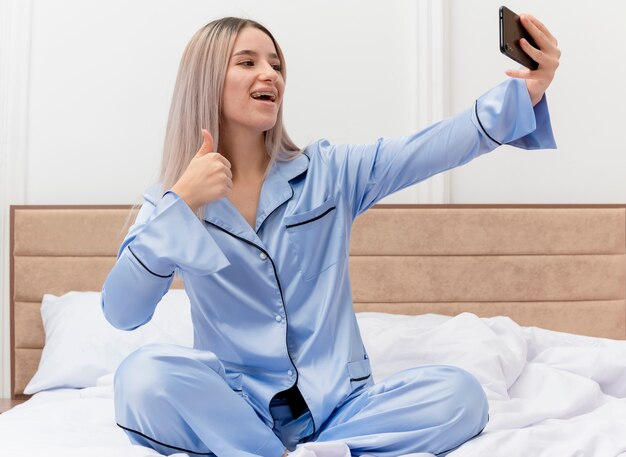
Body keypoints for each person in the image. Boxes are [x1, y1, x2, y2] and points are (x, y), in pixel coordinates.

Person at [101, 14, 560, 457]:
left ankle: (300, 451)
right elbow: (123, 312)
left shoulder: (331, 173)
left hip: (342, 409)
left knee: (460, 395)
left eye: (276, 64)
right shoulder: (171, 203)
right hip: (237, 412)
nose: (270, 74)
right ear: (206, 81)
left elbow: (431, 147)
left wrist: (526, 92)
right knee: (139, 379)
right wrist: (182, 204)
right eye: (248, 62)